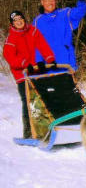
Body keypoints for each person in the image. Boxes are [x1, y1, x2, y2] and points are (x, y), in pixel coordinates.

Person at [3, 10, 56, 138]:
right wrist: (25, 64)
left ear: (24, 19)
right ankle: (28, 133)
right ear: (12, 24)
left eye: (20, 18)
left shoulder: (32, 31)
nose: (19, 21)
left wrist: (50, 59)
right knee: (28, 102)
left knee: (43, 99)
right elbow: (10, 58)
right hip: (22, 75)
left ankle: (46, 128)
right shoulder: (11, 39)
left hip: (34, 72)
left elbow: (42, 44)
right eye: (15, 20)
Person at [33, 0, 86, 71]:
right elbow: (35, 45)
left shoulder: (65, 14)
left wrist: (81, 0)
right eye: (47, 0)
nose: (50, 3)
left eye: (52, 0)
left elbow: (79, 12)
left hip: (67, 65)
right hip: (48, 67)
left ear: (55, 1)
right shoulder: (37, 21)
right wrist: (39, 62)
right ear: (42, 2)